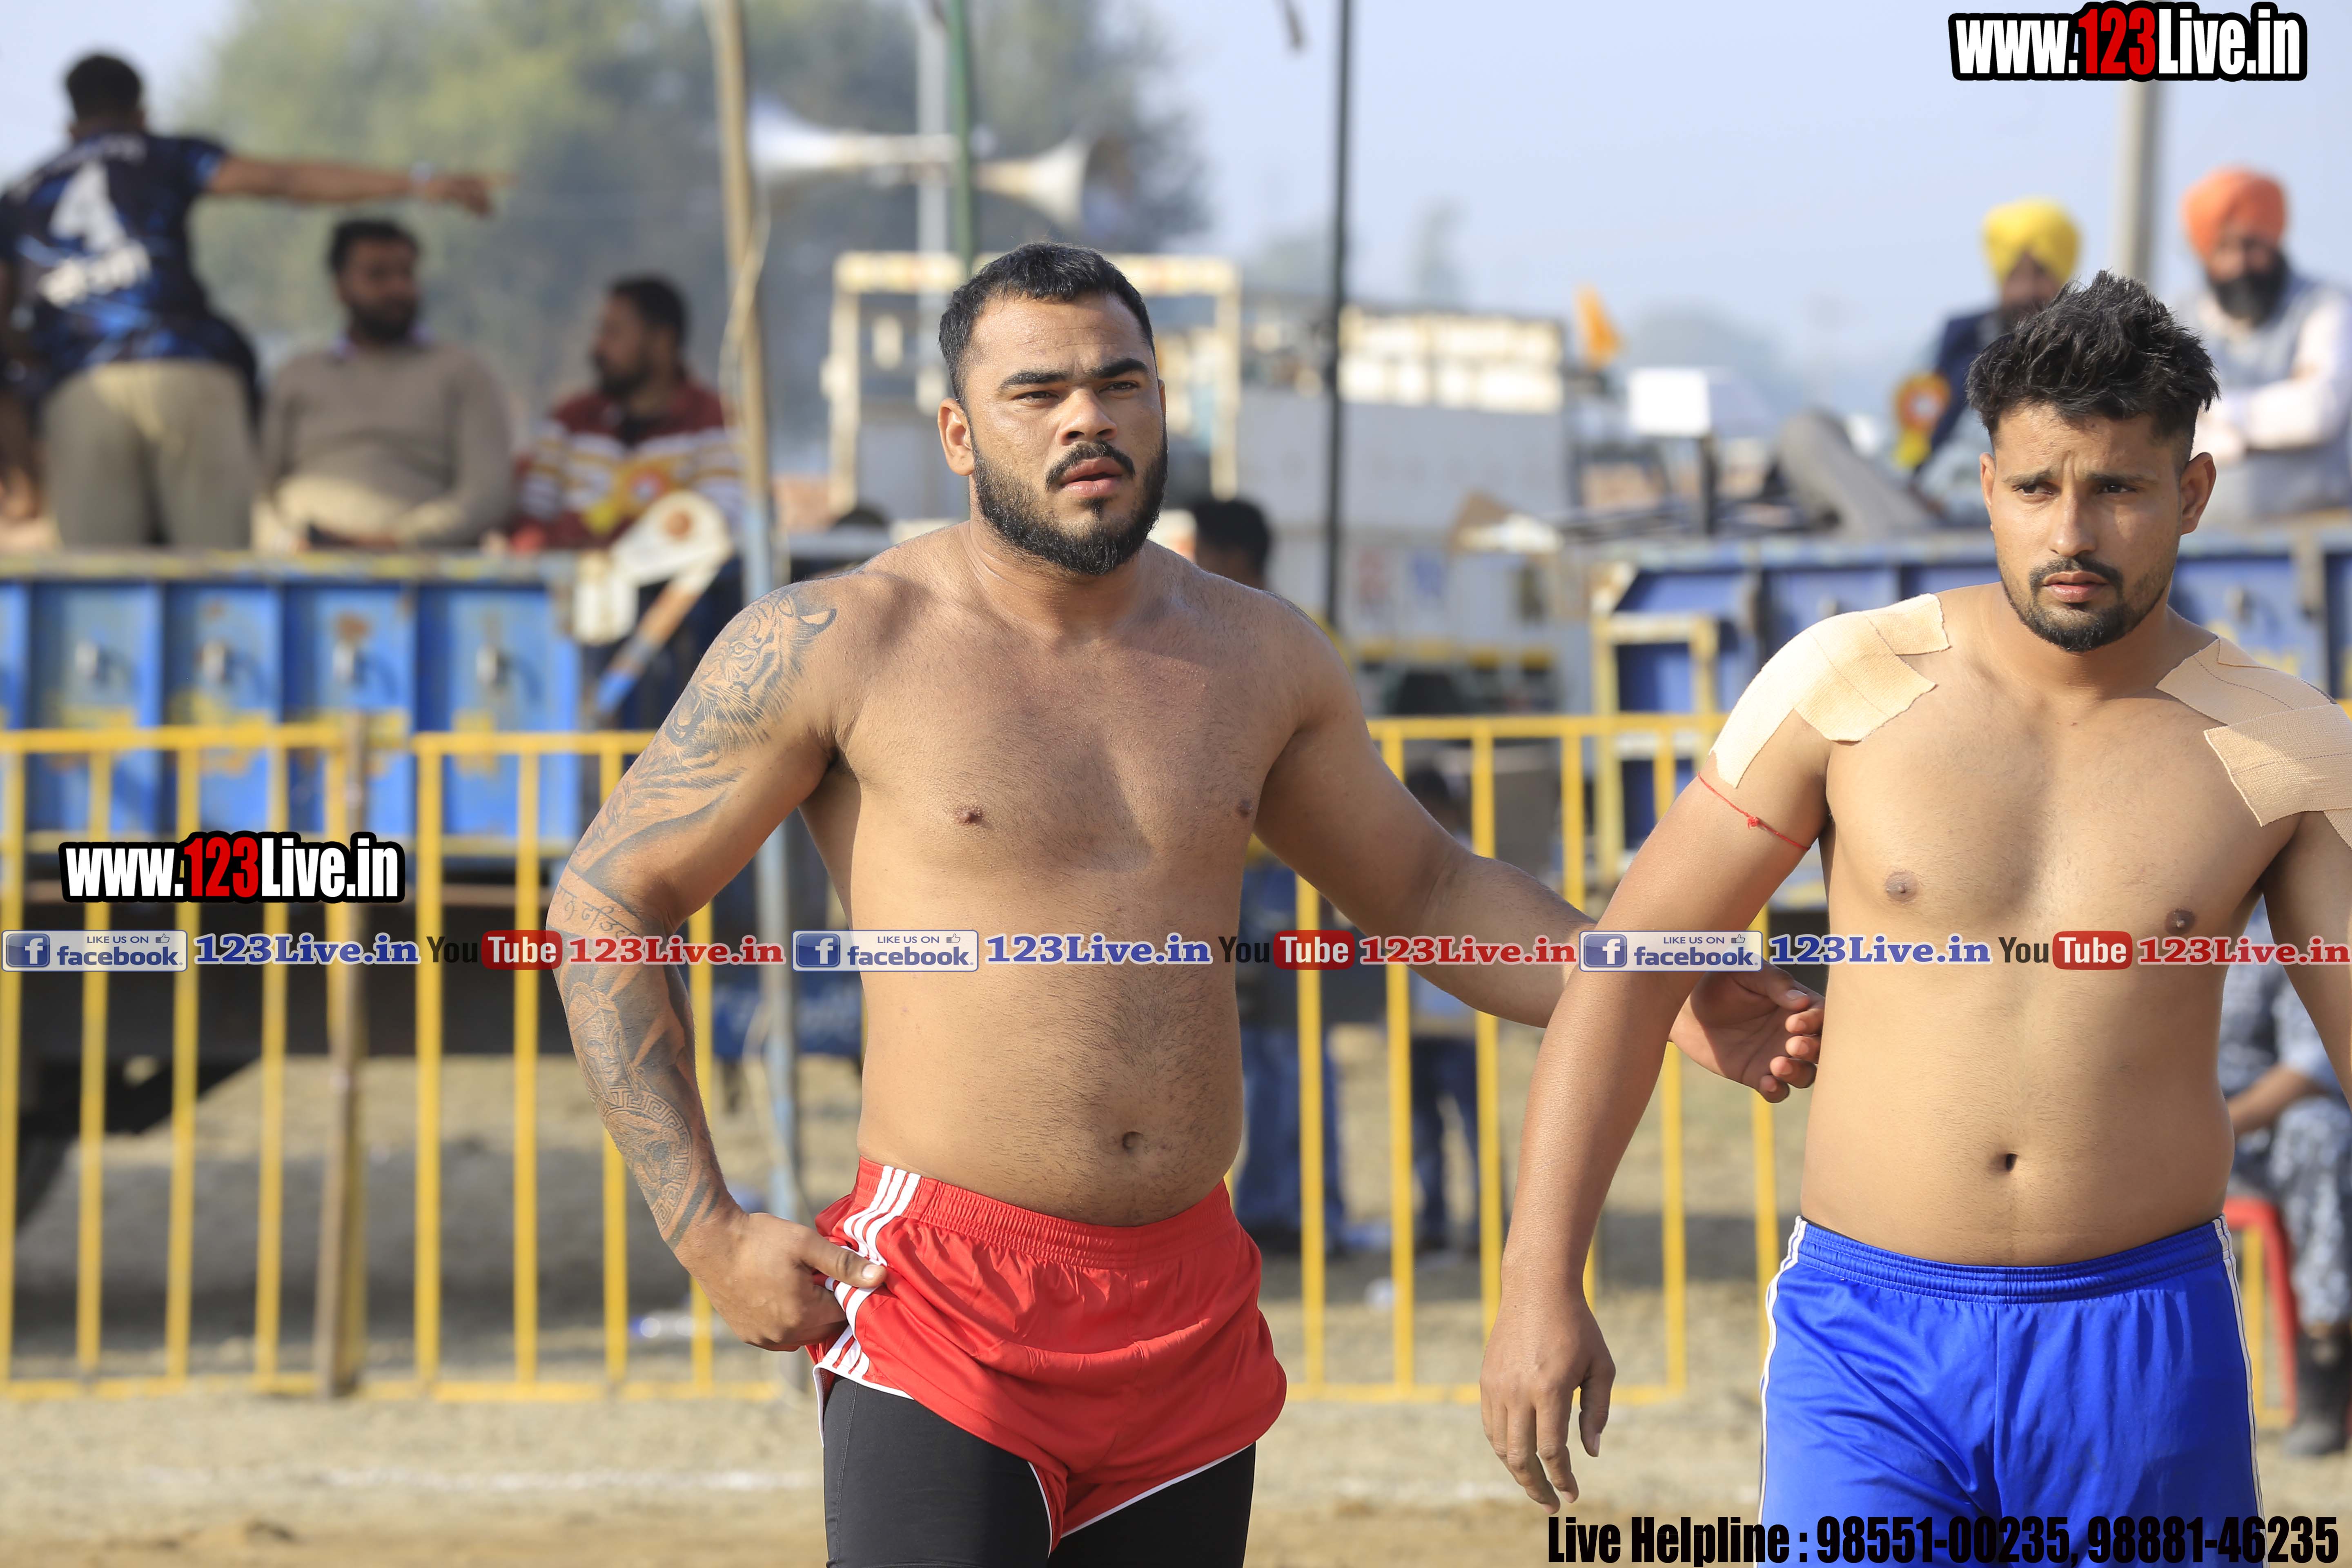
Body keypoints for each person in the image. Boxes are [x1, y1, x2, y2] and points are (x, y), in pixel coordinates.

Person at [548, 242, 1824, 1567]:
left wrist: (1652, 988)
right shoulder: (842, 640)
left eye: (1121, 383)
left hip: (1186, 1313)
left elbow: (1428, 886)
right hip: (944, 1302)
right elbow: (606, 898)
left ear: (1165, 406)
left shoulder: (1256, 652)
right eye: (1038, 392)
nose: (1087, 418)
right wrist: (705, 1228)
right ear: (958, 435)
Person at [1481, 272, 2350, 1521]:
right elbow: (1628, 971)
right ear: (1988, 485)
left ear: (2193, 493)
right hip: (1869, 1340)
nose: (2072, 533)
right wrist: (1536, 1281)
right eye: (2038, 488)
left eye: (2119, 488)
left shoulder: (2284, 744)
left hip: (2142, 1341)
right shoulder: (1849, 685)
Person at [0, 52, 493, 548]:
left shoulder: (23, 194)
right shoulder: (164, 154)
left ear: (69, 127)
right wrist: (418, 183)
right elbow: (286, 181)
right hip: (186, 369)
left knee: (96, 577)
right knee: (217, 566)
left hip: (84, 388)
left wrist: (39, 353)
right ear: (143, 115)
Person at [1189, 494, 1347, 1253]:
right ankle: (1276, 1208)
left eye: (1202, 549)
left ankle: (1297, 1213)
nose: (1192, 563)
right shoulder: (1256, 630)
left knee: (1289, 1048)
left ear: (1233, 556)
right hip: (1248, 878)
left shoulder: (1269, 635)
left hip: (1284, 879)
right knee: (1258, 1051)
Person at [253, 218, 512, 550]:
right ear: (340, 288)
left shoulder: (463, 372)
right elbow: (256, 490)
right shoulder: (297, 375)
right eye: (378, 275)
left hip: (423, 567)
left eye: (406, 274)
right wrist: (287, 544)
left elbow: (488, 493)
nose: (397, 289)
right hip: (298, 566)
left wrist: (398, 542)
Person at [2221, 904, 2352, 1456]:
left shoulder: (2284, 924)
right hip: (2149, 1131)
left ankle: (2325, 1351)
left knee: (2321, 1131)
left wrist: (2214, 1130)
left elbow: (2313, 1062)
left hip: (2255, 1134)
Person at [509, 275, 741, 552]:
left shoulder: (713, 420)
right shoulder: (570, 420)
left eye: (613, 333)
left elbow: (716, 527)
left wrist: (622, 540)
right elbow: (530, 521)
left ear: (662, 342)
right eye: (601, 332)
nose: (599, 347)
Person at [2177, 167, 2352, 525]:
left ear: (2275, 242)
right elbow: (2166, 427)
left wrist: (2214, 418)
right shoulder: (2181, 319)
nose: (2240, 263)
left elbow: (2316, 412)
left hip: (2319, 539)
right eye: (2224, 248)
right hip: (2199, 541)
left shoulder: (2325, 305)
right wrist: (2269, 419)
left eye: (2251, 245)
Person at [1900, 197, 2077, 522]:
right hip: (1915, 509)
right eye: (2014, 276)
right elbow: (1908, 441)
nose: (2026, 291)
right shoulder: (1956, 344)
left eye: (2040, 274)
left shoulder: (2080, 359)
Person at [1405, 765, 1480, 1253]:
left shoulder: (1474, 861)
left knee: (1474, 1129)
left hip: (1463, 1025)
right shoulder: (1395, 861)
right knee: (1423, 1131)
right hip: (1414, 1025)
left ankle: (1484, 1225)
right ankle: (1432, 1223)